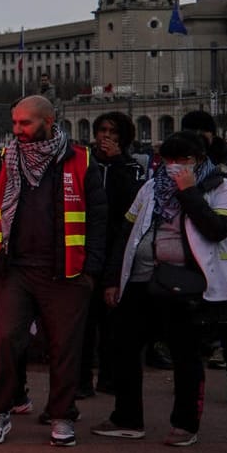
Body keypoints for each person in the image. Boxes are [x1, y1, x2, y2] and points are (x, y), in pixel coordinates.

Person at [0, 97, 108, 447]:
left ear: (49, 121)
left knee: (65, 347)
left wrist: (91, 272)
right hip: (16, 269)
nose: (17, 130)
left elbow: (99, 220)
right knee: (4, 340)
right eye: (15, 122)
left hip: (67, 273)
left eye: (25, 123)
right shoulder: (6, 159)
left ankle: (62, 416)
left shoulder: (81, 161)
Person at [93, 133, 227, 446]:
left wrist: (189, 193)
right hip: (141, 279)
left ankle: (185, 424)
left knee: (185, 354)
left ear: (197, 160)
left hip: (186, 284)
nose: (172, 167)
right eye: (167, 160)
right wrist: (114, 279)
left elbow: (217, 229)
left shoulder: (221, 189)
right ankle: (127, 418)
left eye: (181, 161)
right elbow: (127, 233)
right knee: (124, 348)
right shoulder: (150, 187)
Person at [81, 111, 144, 397]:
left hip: (116, 251)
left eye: (112, 131)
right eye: (102, 130)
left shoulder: (132, 166)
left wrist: (117, 161)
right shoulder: (84, 164)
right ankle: (81, 380)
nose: (105, 135)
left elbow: (132, 204)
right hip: (86, 250)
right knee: (83, 322)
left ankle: (108, 377)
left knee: (113, 322)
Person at [179, 110, 227, 402]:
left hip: (226, 260)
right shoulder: (177, 169)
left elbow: (219, 226)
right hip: (196, 263)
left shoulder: (224, 169)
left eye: (202, 131)